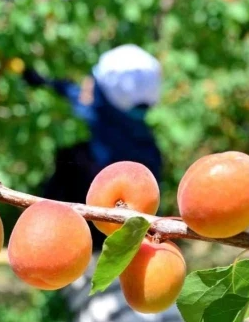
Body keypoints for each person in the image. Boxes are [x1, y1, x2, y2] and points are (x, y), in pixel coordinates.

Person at [23, 45, 197, 322]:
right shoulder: (146, 149)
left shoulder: (82, 130)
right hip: (151, 282)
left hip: (95, 286)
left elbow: (59, 89)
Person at [23, 44, 164, 250]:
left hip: (70, 243)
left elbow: (73, 95)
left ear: (103, 90)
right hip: (124, 249)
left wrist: (34, 78)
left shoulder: (87, 123)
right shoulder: (147, 145)